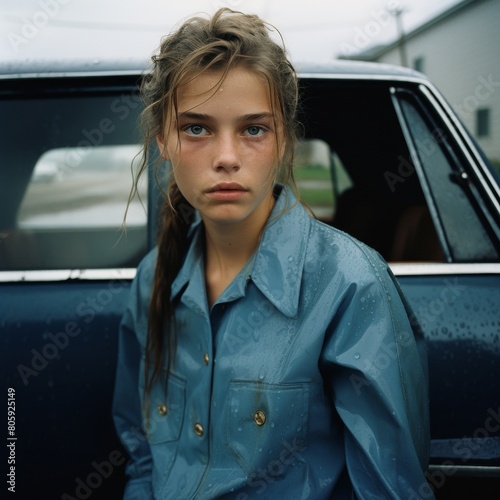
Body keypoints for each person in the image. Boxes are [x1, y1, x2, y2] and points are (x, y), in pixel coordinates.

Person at [113, 8, 433, 499]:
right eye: (196, 128)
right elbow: (141, 457)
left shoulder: (349, 283)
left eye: (253, 129)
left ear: (284, 137)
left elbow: (389, 489)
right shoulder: (152, 280)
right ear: (164, 141)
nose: (226, 156)